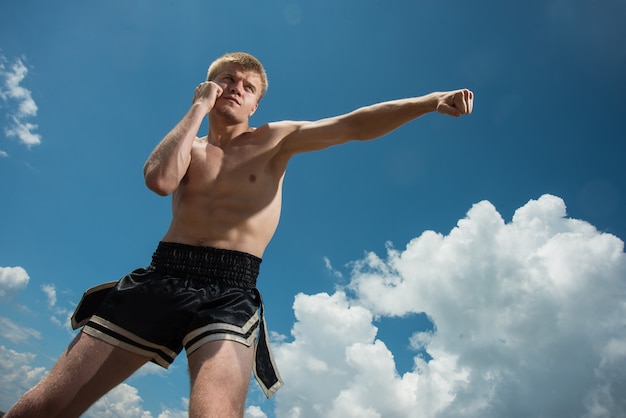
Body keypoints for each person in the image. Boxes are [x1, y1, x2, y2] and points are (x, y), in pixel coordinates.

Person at [5, 52, 473, 418]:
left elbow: (353, 125)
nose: (237, 88)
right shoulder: (192, 146)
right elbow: (159, 180)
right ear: (209, 87)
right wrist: (197, 109)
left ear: (255, 104)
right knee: (53, 402)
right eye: (228, 79)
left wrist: (431, 100)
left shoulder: (277, 138)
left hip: (231, 289)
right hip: (163, 273)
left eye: (247, 87)